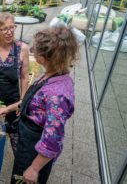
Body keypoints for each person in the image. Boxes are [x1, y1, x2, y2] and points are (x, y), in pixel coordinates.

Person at [10, 26, 79, 184]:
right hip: (27, 142)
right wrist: (8, 108)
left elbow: (53, 138)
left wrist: (34, 169)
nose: (33, 51)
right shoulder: (52, 73)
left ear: (44, 57)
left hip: (34, 150)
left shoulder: (57, 95)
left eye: (35, 49)